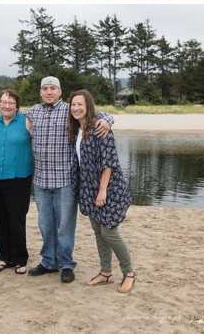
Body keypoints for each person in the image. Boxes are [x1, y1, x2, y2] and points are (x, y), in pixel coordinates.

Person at [25, 76, 114, 284]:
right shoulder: (33, 111)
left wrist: (108, 121)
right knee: (45, 224)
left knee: (65, 225)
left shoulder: (70, 109)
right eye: (45, 89)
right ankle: (49, 262)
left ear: (60, 91)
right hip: (41, 181)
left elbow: (100, 114)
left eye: (52, 88)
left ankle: (66, 264)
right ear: (40, 92)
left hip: (65, 180)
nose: (48, 92)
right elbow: (12, 114)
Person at [69, 90, 136, 293]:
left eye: (80, 104)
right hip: (88, 189)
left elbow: (109, 163)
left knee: (109, 232)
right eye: (73, 105)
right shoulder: (77, 129)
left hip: (108, 189)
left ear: (88, 106)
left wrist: (102, 190)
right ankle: (106, 273)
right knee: (99, 233)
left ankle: (129, 273)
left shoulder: (100, 128)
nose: (76, 108)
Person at [0, 89, 33, 273]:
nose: (6, 105)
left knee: (16, 220)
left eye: (11, 102)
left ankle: (19, 258)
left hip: (19, 179)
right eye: (3, 102)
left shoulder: (26, 121)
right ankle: (4, 258)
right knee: (0, 219)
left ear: (17, 105)